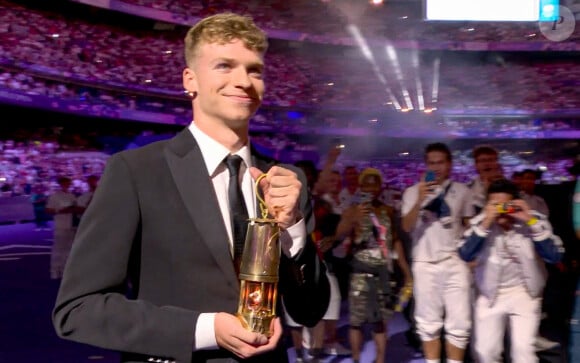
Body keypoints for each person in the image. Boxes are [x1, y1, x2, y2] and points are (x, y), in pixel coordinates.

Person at [52, 13, 329, 363]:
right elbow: (78, 309)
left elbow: (309, 311)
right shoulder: (136, 172)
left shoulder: (286, 180)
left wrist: (295, 230)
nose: (243, 80)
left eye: (254, 70)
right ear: (190, 80)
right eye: (224, 66)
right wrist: (205, 328)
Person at [459, 179, 564, 363]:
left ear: (515, 203)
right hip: (490, 293)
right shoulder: (480, 222)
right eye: (495, 205)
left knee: (523, 353)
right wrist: (486, 223)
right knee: (485, 352)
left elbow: (554, 256)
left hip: (525, 292)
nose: (501, 210)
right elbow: (465, 254)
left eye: (505, 204)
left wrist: (529, 220)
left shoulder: (533, 218)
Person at [401, 143, 474, 363]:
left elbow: (470, 225)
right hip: (424, 262)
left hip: (455, 261)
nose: (436, 167)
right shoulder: (412, 192)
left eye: (440, 162)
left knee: (460, 323)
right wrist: (421, 199)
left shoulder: (463, 191)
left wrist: (472, 257)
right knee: (427, 322)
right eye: (431, 163)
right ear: (426, 166)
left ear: (449, 164)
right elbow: (406, 226)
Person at [337, 168, 412, 363]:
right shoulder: (352, 211)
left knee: (380, 322)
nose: (370, 188)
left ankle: (380, 360)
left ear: (380, 187)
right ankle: (356, 359)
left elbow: (395, 243)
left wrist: (405, 271)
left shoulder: (387, 211)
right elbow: (339, 236)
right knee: (356, 323)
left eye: (374, 184)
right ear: (360, 187)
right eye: (366, 184)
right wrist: (353, 220)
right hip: (360, 275)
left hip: (383, 276)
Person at [45, 176, 78, 279]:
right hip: (60, 225)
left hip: (71, 225)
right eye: (65, 183)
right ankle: (55, 270)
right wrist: (60, 211)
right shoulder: (54, 196)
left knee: (68, 249)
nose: (67, 184)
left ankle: (65, 270)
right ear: (61, 184)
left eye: (68, 183)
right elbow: (48, 210)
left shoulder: (72, 196)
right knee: (58, 248)